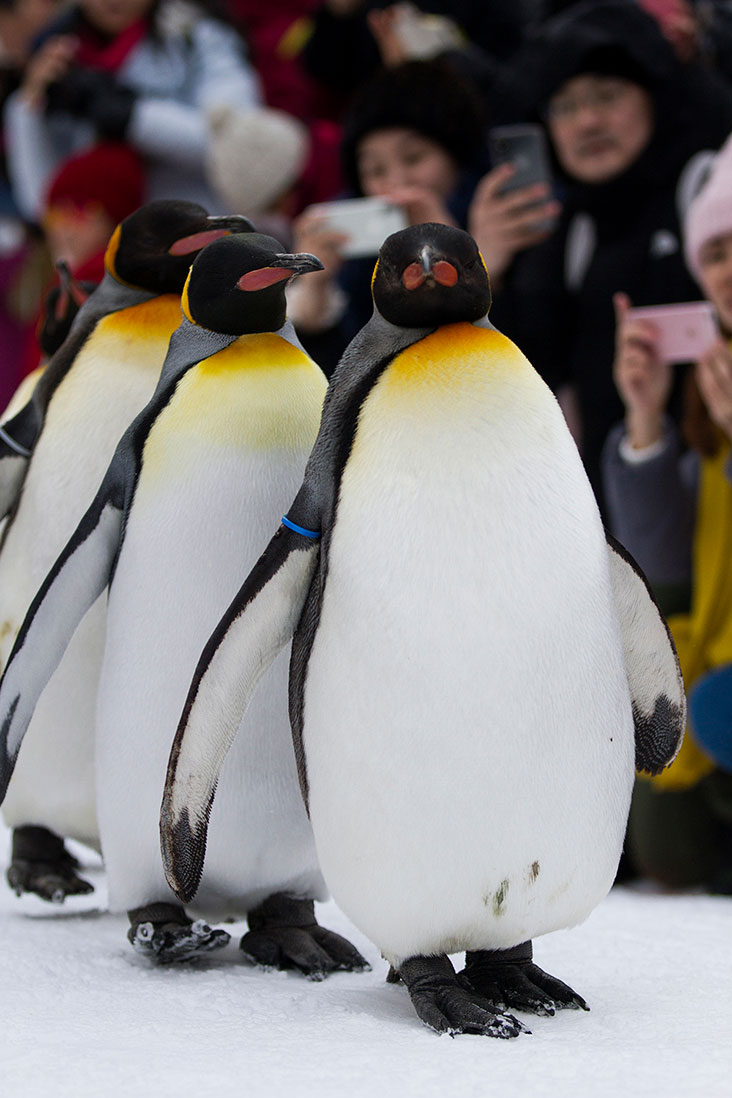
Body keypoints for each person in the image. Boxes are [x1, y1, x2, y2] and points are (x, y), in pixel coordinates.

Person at [481, 0, 732, 508]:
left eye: (608, 96)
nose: (588, 121)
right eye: (565, 107)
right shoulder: (565, 229)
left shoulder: (709, 193)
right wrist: (487, 270)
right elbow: (528, 376)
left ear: (654, 98)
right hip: (622, 514)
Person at [602, 130, 732, 894]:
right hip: (716, 643)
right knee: (668, 848)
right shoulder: (709, 376)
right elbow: (672, 563)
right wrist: (646, 422)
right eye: (715, 252)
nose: (728, 270)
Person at [287, 58, 488, 373]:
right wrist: (315, 294)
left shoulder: (501, 223)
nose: (396, 183)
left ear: (456, 158)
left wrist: (462, 257)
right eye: (375, 170)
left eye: (414, 157)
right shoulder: (357, 268)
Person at [3, 0, 261, 223]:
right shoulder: (64, 53)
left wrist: (133, 117)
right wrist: (30, 109)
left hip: (201, 238)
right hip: (110, 263)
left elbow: (239, 146)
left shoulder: (196, 38)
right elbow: (42, 203)